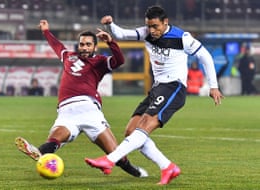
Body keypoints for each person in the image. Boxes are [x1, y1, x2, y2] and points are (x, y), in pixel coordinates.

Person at [85, 5, 224, 185]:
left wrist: (213, 86)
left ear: (165, 22)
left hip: (174, 87)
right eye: (149, 26)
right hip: (158, 88)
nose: (151, 31)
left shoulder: (182, 37)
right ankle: (167, 166)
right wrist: (110, 25)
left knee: (145, 124)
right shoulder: (147, 32)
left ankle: (109, 160)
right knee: (131, 130)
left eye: (155, 26)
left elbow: (205, 56)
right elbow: (122, 34)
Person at [15, 19, 147, 178]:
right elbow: (56, 45)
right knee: (55, 139)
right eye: (82, 44)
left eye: (88, 45)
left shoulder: (100, 62)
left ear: (94, 47)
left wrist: (111, 42)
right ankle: (39, 152)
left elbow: (120, 60)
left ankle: (136, 172)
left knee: (116, 154)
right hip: (66, 110)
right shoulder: (68, 56)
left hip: (89, 109)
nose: (84, 47)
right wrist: (46, 31)